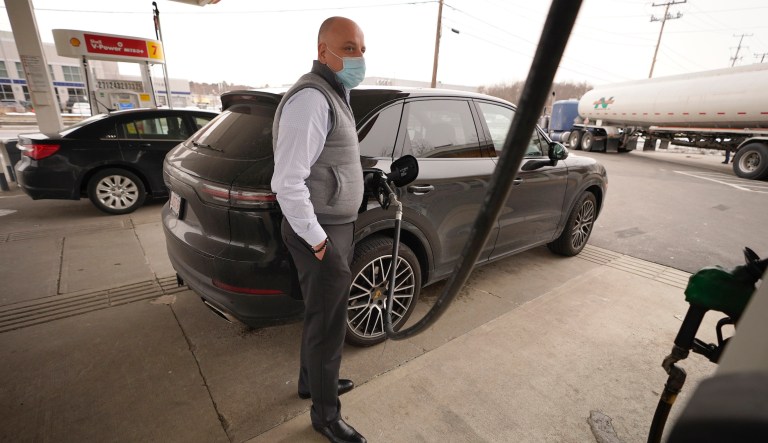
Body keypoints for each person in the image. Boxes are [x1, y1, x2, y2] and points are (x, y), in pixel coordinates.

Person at [270, 16, 367, 443]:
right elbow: (287, 182)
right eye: (349, 48)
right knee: (329, 324)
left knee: (320, 314)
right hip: (320, 232)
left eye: (361, 48)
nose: (358, 57)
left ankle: (313, 384)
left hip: (332, 227)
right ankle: (326, 415)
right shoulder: (311, 100)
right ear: (323, 50)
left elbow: (329, 159)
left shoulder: (336, 92)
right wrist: (319, 241)